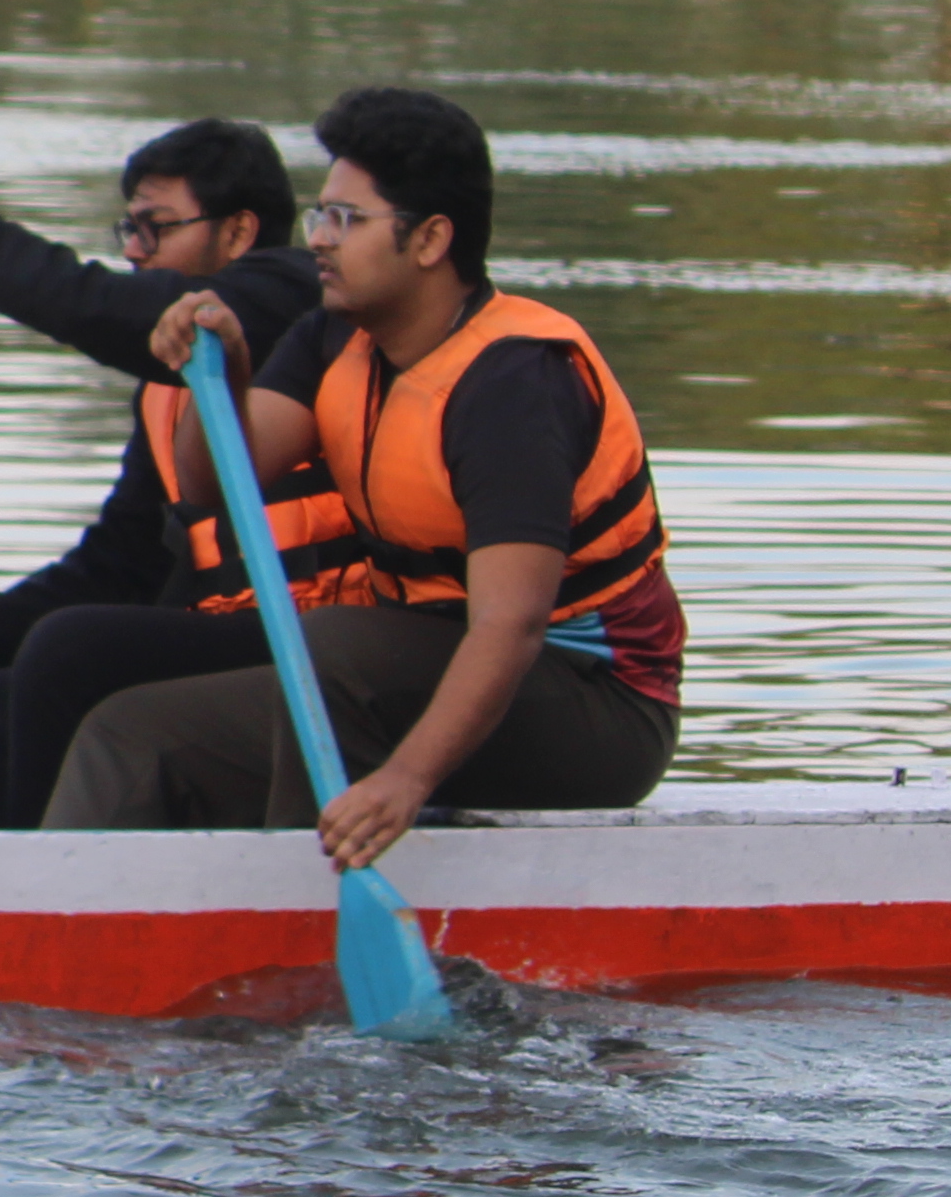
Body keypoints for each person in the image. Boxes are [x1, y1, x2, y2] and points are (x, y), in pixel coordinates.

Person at [56, 88, 679, 853]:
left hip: (596, 709)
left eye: (346, 221)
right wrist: (221, 377)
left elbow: (510, 624)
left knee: (338, 646)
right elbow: (215, 485)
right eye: (320, 215)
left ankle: (293, 933)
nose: (318, 239)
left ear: (429, 241)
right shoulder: (331, 337)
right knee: (133, 734)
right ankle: (65, 944)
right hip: (401, 676)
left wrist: (404, 783)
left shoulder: (513, 383)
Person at [0, 119, 331, 828]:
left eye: (155, 228)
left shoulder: (292, 297)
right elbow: (118, 567)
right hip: (213, 633)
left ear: (240, 232)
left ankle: (51, 900)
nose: (132, 251)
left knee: (74, 651)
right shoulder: (170, 381)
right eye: (126, 229)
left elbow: (88, 302)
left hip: (325, 635)